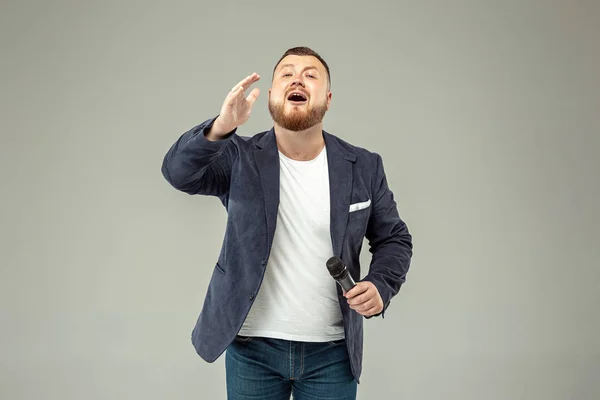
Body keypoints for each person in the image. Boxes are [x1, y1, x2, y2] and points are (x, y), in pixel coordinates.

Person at [161, 46, 413, 400]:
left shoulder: (364, 166)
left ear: (326, 98)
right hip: (252, 349)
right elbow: (178, 173)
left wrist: (380, 285)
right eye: (287, 73)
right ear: (271, 96)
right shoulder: (239, 157)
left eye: (310, 74)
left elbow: (395, 239)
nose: (298, 78)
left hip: (333, 352)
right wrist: (221, 127)